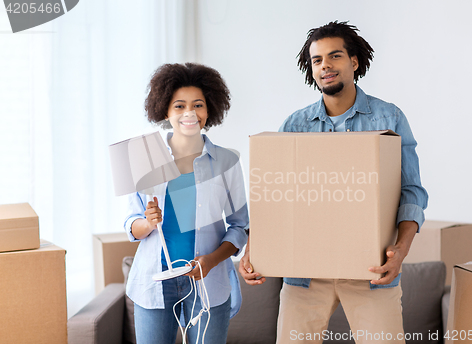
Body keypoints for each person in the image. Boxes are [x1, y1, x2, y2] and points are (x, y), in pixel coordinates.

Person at [239, 21, 428, 343]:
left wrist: (402, 250)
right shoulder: (294, 125)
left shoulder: (388, 118)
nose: (325, 65)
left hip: (372, 272)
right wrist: (252, 248)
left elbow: (410, 191)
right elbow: (276, 197)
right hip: (305, 276)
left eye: (335, 56)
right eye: (317, 60)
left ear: (353, 62)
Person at [125, 63, 249, 344]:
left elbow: (240, 226)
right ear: (165, 111)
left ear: (209, 110)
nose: (189, 113)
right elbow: (131, 224)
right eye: (179, 106)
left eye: (198, 105)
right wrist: (147, 222)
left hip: (207, 282)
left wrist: (213, 261)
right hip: (154, 283)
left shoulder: (227, 162)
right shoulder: (145, 158)